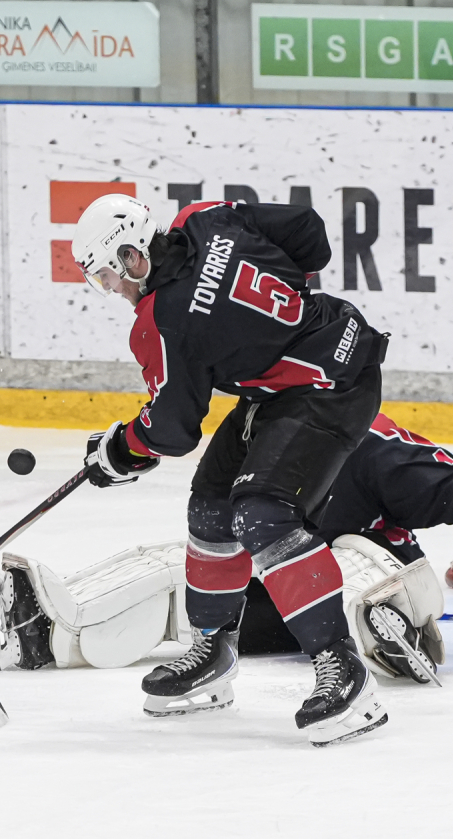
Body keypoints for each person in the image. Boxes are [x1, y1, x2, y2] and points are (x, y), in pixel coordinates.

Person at [71, 194, 390, 746]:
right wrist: (279, 312)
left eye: (108, 276)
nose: (114, 289)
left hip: (328, 386)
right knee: (211, 507)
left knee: (264, 514)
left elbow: (172, 429)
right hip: (307, 361)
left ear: (132, 255)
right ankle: (213, 649)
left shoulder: (160, 321)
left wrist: (121, 449)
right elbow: (307, 230)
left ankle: (343, 669)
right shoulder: (205, 216)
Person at [0, 415, 453, 688]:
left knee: (355, 563)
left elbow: (452, 485)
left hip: (375, 570)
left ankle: (389, 624)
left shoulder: (370, 448)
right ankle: (49, 629)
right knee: (184, 575)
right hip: (287, 600)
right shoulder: (250, 438)